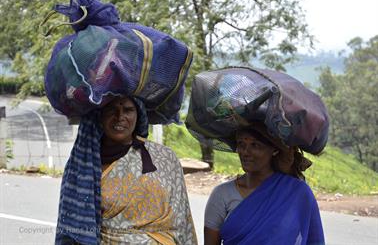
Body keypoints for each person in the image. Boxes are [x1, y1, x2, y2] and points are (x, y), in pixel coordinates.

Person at [56, 95, 197, 244]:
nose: (120, 117)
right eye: (112, 110)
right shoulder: (82, 164)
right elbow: (73, 224)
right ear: (99, 115)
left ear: (139, 115)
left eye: (128, 110)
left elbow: (182, 220)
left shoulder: (164, 157)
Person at [204, 122, 324, 245]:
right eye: (241, 144)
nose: (245, 152)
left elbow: (313, 240)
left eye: (255, 145)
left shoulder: (298, 193)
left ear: (274, 150)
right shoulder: (221, 194)